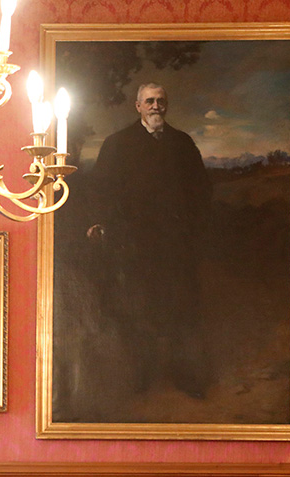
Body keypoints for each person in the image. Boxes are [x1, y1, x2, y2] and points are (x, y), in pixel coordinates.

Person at [85, 83, 213, 398]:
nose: (157, 107)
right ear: (138, 106)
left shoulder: (182, 143)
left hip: (175, 244)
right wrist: (100, 222)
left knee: (181, 308)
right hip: (134, 245)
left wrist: (193, 227)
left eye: (161, 101)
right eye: (150, 101)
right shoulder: (117, 144)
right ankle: (142, 377)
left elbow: (201, 189)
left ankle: (185, 376)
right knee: (139, 308)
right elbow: (101, 189)